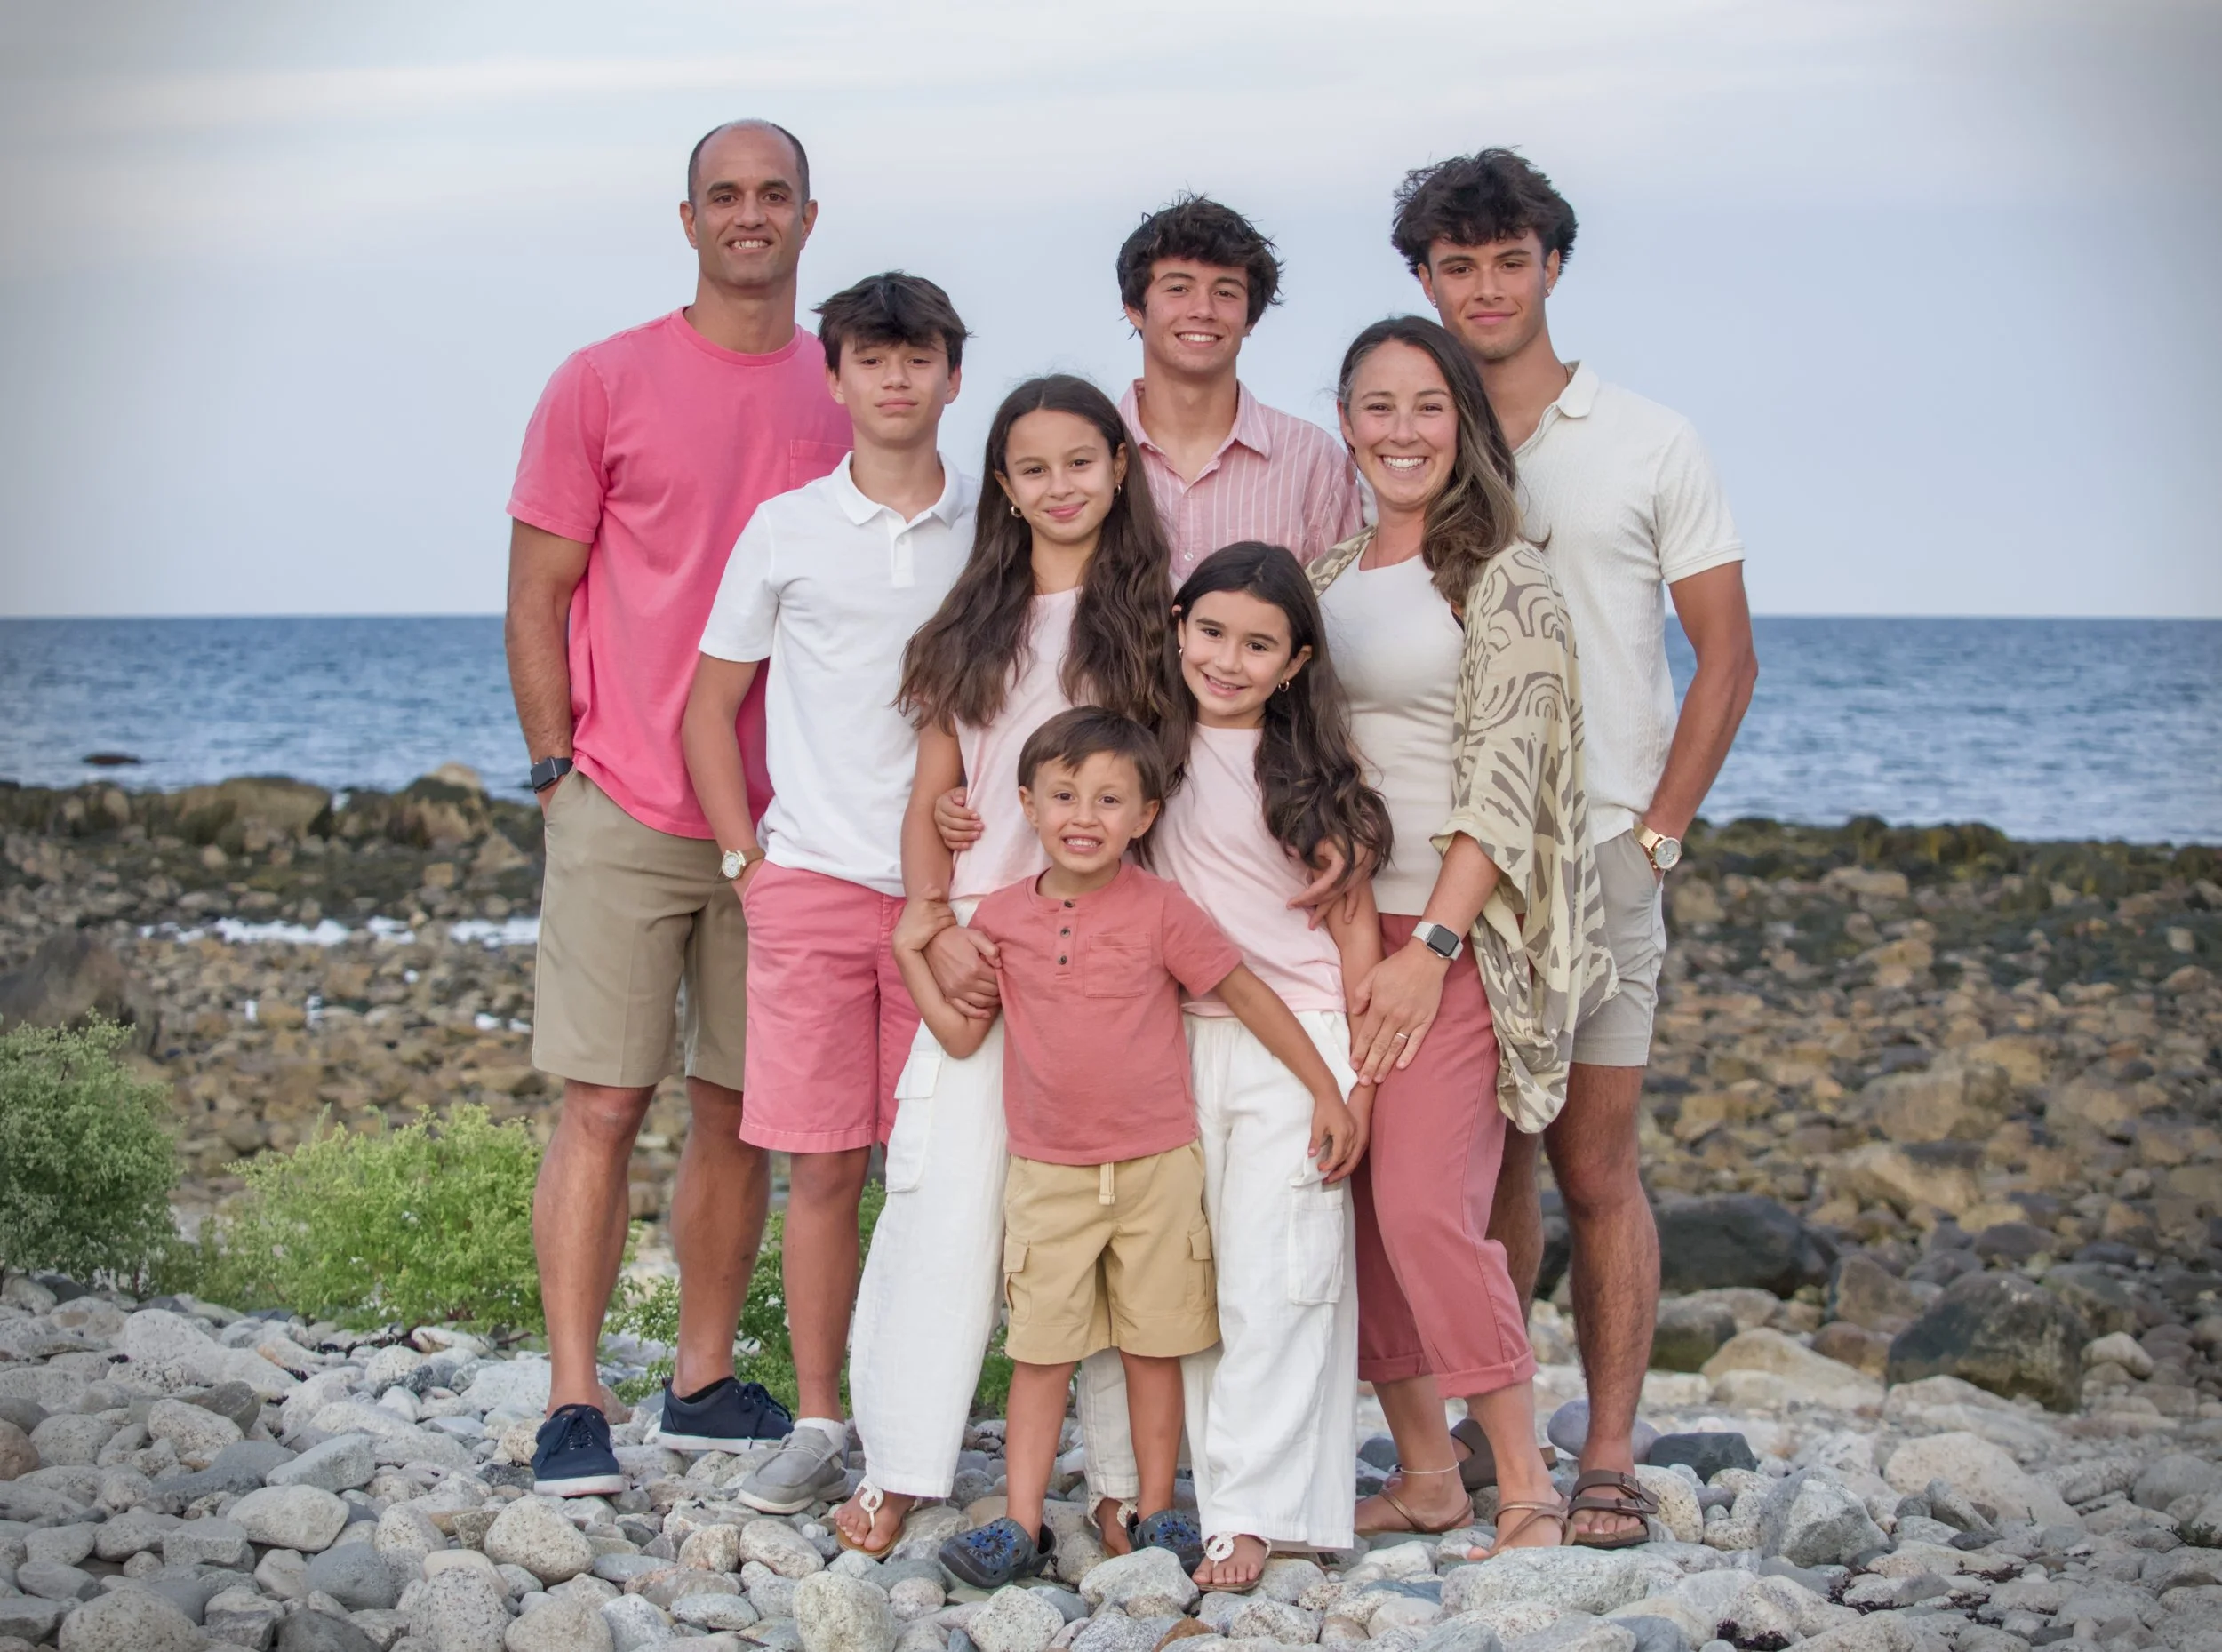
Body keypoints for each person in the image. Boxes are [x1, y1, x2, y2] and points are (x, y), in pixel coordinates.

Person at [1394, 149, 1758, 1544]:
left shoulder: (1649, 438)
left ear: (1553, 263)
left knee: (1596, 1163)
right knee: (1478, 1174)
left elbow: (1725, 658)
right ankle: (1497, 1442)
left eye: (1508, 258)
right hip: (1454, 856)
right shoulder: (1415, 435)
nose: (1484, 286)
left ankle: (1607, 1446)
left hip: (1604, 845)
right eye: (1457, 265)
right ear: (1424, 279)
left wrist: (1660, 828)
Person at [504, 119, 851, 1496]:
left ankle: (702, 1378)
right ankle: (573, 1399)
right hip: (631, 798)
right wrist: (554, 765)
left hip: (796, 820)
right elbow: (538, 590)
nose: (750, 216)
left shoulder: (854, 388)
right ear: (690, 218)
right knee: (602, 1100)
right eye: (727, 196)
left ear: (810, 219)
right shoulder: (603, 381)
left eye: (774, 196)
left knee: (740, 1108)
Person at [832, 376, 1181, 1559]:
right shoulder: (970, 623)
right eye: (1032, 467)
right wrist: (932, 916)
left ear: (1118, 469)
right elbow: (935, 792)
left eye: (1081, 461)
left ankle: (1121, 1487)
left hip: (1105, 965)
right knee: (939, 1206)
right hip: (984, 944)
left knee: (1101, 1218)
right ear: (1003, 483)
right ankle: (902, 1465)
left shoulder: (1151, 622)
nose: (1059, 485)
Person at [894, 707, 1359, 1586]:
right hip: (1046, 1171)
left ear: (1146, 816)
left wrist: (1326, 1088)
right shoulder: (1000, 917)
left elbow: (1252, 998)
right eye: (1064, 794)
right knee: (1041, 1352)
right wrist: (911, 947)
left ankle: (1154, 1509)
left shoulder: (1161, 909)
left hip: (1156, 1166)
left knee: (1155, 1345)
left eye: (1110, 799)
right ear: (1026, 802)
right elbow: (961, 1039)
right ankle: (1022, 1521)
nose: (1084, 815)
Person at [1309, 315, 1616, 1553]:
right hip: (1341, 923)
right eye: (1376, 406)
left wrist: (1427, 947)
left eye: (1427, 405)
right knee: (1360, 1206)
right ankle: (1429, 1473)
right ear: (1345, 422)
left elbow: (1509, 781)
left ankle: (1527, 1484)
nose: (1401, 430)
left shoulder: (1505, 575)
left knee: (1433, 1208)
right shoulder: (1327, 576)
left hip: (1453, 933)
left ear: (1464, 425)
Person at [682, 272, 976, 1511]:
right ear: (838, 375)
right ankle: (818, 1414)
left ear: (953, 373)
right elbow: (709, 706)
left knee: (938, 1166)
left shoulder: (994, 522)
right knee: (823, 1169)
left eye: (918, 358)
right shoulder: (786, 527)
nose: (896, 379)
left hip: (948, 904)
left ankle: (924, 1420)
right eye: (872, 359)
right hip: (806, 885)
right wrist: (749, 860)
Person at [1149, 542, 1389, 1588]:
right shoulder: (1141, 759)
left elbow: (1354, 943)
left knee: (1283, 1276)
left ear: (1294, 662)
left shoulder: (1314, 781)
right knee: (1192, 1282)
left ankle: (1257, 1512)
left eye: (1258, 645)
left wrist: (1358, 1085)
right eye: (1210, 632)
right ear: (1175, 627)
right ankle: (1215, 1492)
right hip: (1171, 1038)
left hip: (1300, 1044)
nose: (1229, 660)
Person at [1114, 195, 1363, 578]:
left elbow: (1341, 619)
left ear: (1251, 318)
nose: (1203, 310)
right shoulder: (1088, 455)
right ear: (1134, 308)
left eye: (1226, 292)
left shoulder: (1312, 460)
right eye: (1178, 288)